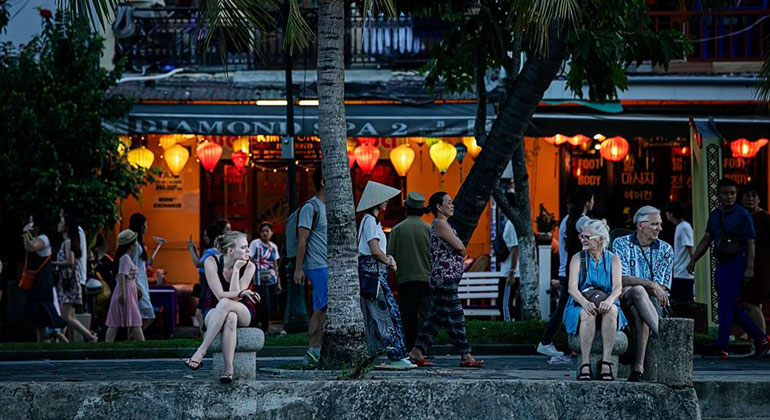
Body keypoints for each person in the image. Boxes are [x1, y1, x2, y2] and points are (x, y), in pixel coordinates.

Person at [688, 178, 770, 359]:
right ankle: (761, 338)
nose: (729, 197)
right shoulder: (715, 215)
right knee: (729, 306)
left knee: (726, 305)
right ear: (718, 195)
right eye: (725, 193)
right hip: (722, 263)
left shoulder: (743, 215)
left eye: (732, 193)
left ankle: (722, 346)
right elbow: (707, 238)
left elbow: (751, 243)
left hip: (737, 262)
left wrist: (749, 269)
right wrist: (694, 259)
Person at [408, 192, 484, 368]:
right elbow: (460, 247)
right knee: (456, 316)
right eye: (448, 203)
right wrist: (462, 251)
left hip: (446, 278)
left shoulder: (443, 224)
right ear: (439, 207)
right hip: (445, 279)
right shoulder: (441, 224)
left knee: (436, 318)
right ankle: (466, 355)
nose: (452, 205)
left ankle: (417, 351)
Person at [184, 231, 260, 383]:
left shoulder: (249, 266)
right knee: (229, 316)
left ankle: (201, 351)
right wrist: (241, 291)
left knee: (229, 306)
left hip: (242, 310)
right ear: (231, 251)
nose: (248, 251)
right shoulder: (211, 262)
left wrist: (237, 269)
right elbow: (219, 295)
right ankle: (228, 370)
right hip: (213, 308)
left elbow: (236, 299)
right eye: (244, 247)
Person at [356, 181, 415, 370]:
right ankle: (394, 354)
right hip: (374, 276)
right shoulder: (370, 221)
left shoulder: (371, 221)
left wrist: (387, 258)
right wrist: (389, 261)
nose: (387, 202)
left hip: (374, 274)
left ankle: (379, 353)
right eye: (384, 199)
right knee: (386, 314)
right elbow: (374, 249)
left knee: (375, 316)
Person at [613, 206, 673, 381]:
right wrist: (650, 284)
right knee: (638, 292)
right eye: (655, 224)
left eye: (660, 224)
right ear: (640, 225)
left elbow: (662, 288)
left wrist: (649, 286)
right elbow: (621, 279)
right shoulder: (621, 243)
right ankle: (665, 337)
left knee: (639, 306)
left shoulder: (665, 249)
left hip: (654, 302)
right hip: (626, 297)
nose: (660, 229)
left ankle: (637, 369)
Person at [563, 219, 626, 381]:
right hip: (580, 302)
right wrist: (585, 303)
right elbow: (572, 288)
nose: (582, 239)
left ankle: (606, 362)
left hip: (606, 300)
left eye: (587, 237)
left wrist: (610, 300)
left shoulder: (613, 259)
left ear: (601, 239)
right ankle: (585, 363)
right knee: (587, 313)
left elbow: (618, 287)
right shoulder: (577, 258)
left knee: (612, 311)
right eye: (581, 236)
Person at [537, 188, 593, 357]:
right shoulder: (583, 222)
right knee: (571, 307)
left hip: (566, 271)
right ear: (586, 202)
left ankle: (557, 342)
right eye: (592, 199)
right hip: (576, 272)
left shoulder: (567, 220)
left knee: (567, 307)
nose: (593, 203)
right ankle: (547, 342)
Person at [388, 192, 431, 351]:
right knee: (425, 315)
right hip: (426, 278)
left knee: (407, 316)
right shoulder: (428, 229)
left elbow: (390, 254)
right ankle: (422, 348)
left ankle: (408, 347)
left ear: (406, 209)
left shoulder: (397, 229)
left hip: (405, 279)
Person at [293, 168, 328, 365]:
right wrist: (299, 268)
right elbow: (302, 239)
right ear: (323, 181)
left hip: (327, 265)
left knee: (322, 306)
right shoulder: (311, 207)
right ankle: (313, 349)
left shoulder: (328, 207)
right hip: (317, 265)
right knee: (321, 307)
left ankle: (317, 348)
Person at [52, 214, 98, 342]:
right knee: (70, 315)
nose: (58, 224)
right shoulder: (69, 241)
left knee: (66, 316)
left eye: (61, 222)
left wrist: (55, 264)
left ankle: (90, 336)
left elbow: (70, 261)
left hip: (68, 282)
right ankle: (68, 342)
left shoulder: (68, 242)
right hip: (69, 281)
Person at [21, 212, 66, 342]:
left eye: (32, 222)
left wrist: (25, 234)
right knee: (38, 317)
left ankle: (63, 340)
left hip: (42, 283)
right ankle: (41, 342)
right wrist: (27, 235)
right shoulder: (36, 237)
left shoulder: (44, 238)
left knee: (45, 313)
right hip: (36, 283)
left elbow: (31, 247)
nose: (30, 225)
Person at [740, 182, 770, 335]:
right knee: (749, 304)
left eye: (754, 196)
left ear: (759, 199)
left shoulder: (765, 218)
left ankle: (762, 339)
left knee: (752, 303)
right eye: (747, 195)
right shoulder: (741, 217)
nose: (750, 199)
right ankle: (756, 337)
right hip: (743, 266)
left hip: (761, 268)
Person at [105, 230, 145, 342]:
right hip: (126, 291)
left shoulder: (125, 258)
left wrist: (136, 289)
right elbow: (122, 275)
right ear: (130, 244)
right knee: (132, 321)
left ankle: (107, 346)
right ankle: (142, 345)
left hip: (129, 291)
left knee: (118, 322)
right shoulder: (125, 259)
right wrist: (123, 293)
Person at [188, 224, 223, 332]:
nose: (204, 238)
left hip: (206, 282)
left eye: (206, 236)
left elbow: (198, 264)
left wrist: (190, 248)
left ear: (211, 237)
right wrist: (194, 248)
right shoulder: (218, 250)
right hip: (211, 282)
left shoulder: (211, 251)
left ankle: (206, 339)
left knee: (199, 313)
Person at [249, 222, 282, 334]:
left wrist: (278, 282)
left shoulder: (273, 246)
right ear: (260, 233)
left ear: (271, 233)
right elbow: (249, 259)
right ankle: (265, 329)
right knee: (265, 306)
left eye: (267, 231)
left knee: (270, 306)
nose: (265, 233)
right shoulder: (255, 244)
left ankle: (254, 324)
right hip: (259, 280)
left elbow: (275, 264)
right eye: (263, 231)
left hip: (272, 279)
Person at [128, 213, 156, 331]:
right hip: (138, 282)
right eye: (145, 224)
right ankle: (133, 339)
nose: (147, 226)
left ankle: (132, 340)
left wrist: (147, 262)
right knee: (148, 313)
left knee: (137, 315)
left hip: (141, 281)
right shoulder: (135, 244)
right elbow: (131, 265)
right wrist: (134, 284)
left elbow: (138, 264)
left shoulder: (138, 243)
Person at [665, 201, 695, 302]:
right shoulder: (680, 227)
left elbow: (690, 247)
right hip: (679, 271)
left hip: (684, 273)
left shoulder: (684, 227)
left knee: (683, 301)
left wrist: (693, 263)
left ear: (671, 214)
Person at [59, 207, 87, 289]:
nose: (60, 217)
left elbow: (71, 260)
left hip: (75, 279)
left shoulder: (76, 233)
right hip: (74, 278)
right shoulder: (74, 234)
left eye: (62, 215)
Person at [498, 216, 519, 322]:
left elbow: (516, 248)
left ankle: (508, 325)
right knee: (502, 301)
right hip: (505, 270)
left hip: (509, 272)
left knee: (504, 303)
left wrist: (512, 271)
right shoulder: (508, 223)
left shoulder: (512, 224)